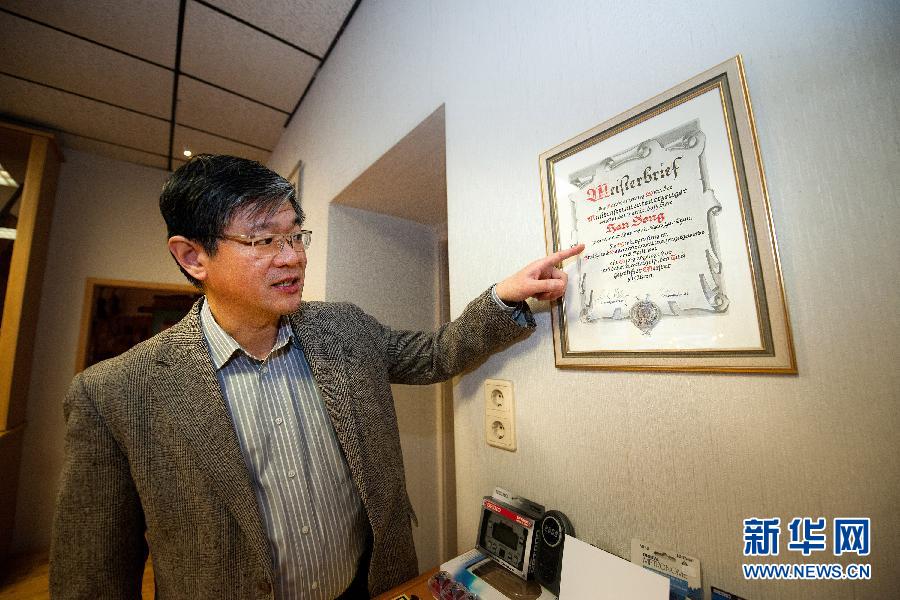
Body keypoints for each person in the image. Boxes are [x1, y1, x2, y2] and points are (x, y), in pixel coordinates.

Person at [49, 154, 583, 599]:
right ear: (193, 257)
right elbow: (92, 579)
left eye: (296, 236)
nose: (293, 258)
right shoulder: (116, 394)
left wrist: (503, 297)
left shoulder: (343, 328)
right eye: (264, 241)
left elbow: (433, 355)